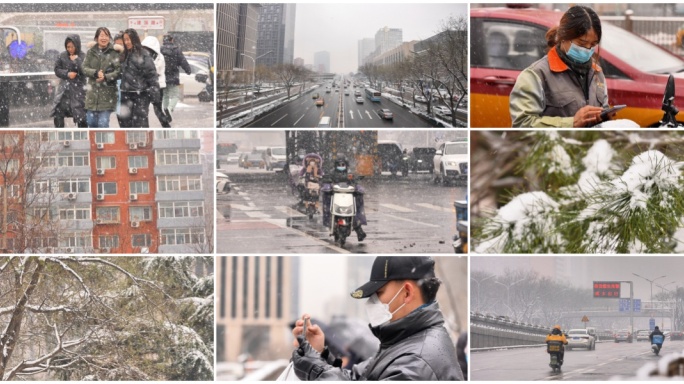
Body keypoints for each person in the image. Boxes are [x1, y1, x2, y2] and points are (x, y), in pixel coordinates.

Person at [291, 256, 464, 381]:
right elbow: (359, 378)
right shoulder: (403, 344)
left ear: (407, 293)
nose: (372, 302)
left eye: (378, 293)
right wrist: (320, 355)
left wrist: (318, 370)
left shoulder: (416, 362)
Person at [509, 5, 613, 128]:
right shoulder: (535, 75)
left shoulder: (596, 72)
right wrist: (571, 123)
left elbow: (603, 109)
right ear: (563, 37)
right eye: (582, 43)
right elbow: (522, 124)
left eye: (593, 44)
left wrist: (604, 118)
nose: (587, 50)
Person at [119, 29, 160, 128]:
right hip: (125, 94)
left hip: (141, 95)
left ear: (135, 39)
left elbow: (151, 75)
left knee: (140, 123)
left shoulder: (143, 54)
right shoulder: (123, 55)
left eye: (129, 39)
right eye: (125, 40)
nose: (127, 42)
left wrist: (154, 94)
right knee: (125, 124)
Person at [321, 156, 367, 241]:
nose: (341, 166)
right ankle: (330, 223)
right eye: (339, 164)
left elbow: (356, 181)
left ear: (346, 165)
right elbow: (326, 180)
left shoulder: (350, 174)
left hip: (348, 197)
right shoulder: (331, 174)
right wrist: (327, 186)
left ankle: (359, 230)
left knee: (356, 209)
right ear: (335, 165)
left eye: (343, 164)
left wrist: (358, 187)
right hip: (335, 196)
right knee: (327, 205)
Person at [82, 27, 121, 127]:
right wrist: (94, 73)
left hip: (107, 96)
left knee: (103, 124)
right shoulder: (91, 52)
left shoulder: (114, 53)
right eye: (101, 35)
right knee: (91, 123)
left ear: (109, 38)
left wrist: (106, 77)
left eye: (106, 35)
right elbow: (84, 68)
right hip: (92, 95)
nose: (104, 38)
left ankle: (104, 143)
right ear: (96, 38)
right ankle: (95, 143)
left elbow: (119, 71)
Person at [51, 34, 87, 127]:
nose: (70, 49)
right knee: (58, 113)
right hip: (64, 91)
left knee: (81, 115)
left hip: (79, 91)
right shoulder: (62, 56)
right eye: (68, 47)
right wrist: (67, 74)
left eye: (72, 47)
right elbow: (57, 70)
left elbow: (85, 71)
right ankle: (60, 135)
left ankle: (83, 138)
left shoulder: (83, 56)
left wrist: (76, 60)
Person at [160, 35, 191, 121]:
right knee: (175, 96)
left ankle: (165, 112)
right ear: (172, 40)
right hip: (173, 76)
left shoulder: (160, 50)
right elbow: (183, 61)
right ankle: (169, 109)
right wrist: (188, 70)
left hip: (163, 77)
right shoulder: (176, 50)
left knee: (165, 95)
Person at [141, 35, 171, 127]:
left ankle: (166, 125)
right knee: (144, 110)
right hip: (145, 86)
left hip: (157, 87)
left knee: (157, 109)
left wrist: (148, 67)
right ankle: (145, 127)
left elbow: (156, 70)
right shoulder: (143, 56)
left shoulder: (159, 57)